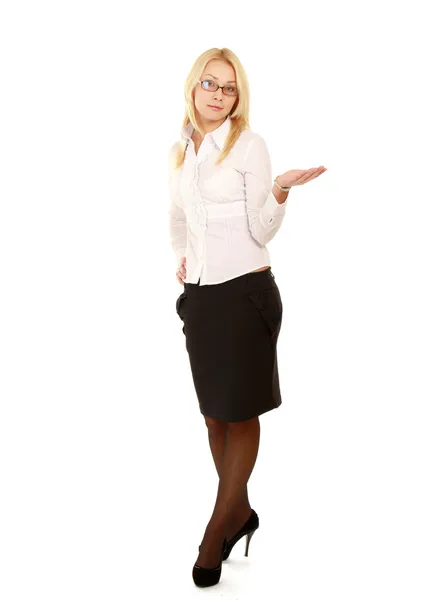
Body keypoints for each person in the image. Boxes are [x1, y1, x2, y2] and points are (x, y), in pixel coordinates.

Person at [167, 47, 327, 587]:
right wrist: (183, 259)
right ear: (193, 87)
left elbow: (260, 229)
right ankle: (241, 511)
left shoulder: (248, 146)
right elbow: (177, 216)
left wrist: (280, 189)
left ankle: (216, 529)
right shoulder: (180, 150)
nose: (216, 93)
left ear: (238, 98)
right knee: (215, 415)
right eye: (209, 83)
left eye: (228, 88)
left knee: (241, 415)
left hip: (246, 295)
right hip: (203, 299)